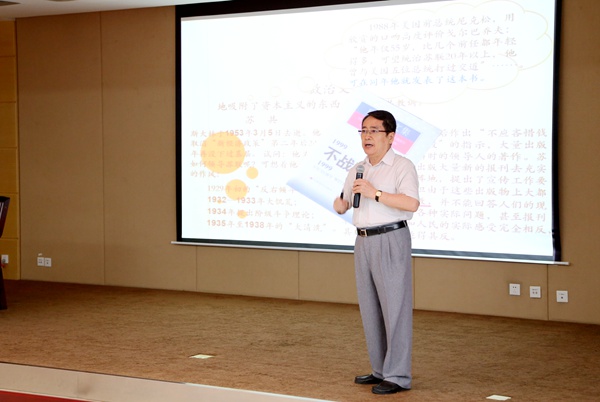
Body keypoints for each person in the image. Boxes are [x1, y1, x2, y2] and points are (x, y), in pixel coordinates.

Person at [333, 110, 420, 395]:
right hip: (363, 241)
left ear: (391, 137)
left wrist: (376, 193)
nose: (367, 136)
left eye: (374, 130)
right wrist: (341, 204)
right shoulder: (357, 168)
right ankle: (380, 370)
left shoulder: (401, 166)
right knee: (370, 308)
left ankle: (398, 375)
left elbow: (411, 203)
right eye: (363, 130)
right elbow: (345, 202)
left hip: (391, 238)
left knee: (395, 308)